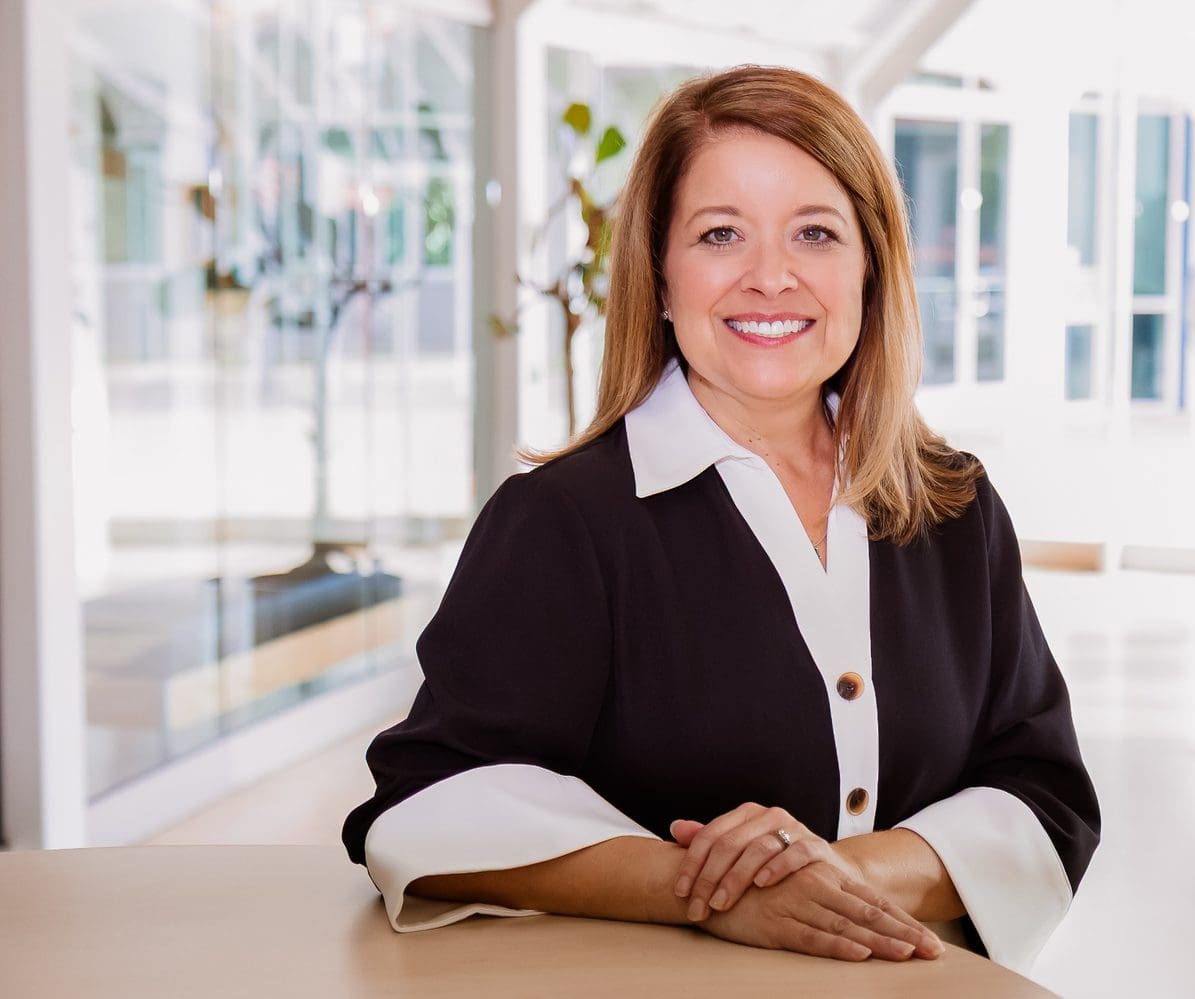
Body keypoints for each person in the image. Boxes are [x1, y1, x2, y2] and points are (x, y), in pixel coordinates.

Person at [342, 64, 1100, 974]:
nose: (770, 277)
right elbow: (429, 802)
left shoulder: (953, 505)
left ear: (870, 267)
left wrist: (823, 875)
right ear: (660, 277)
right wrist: (703, 889)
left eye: (815, 233)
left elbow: (1042, 793)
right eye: (720, 233)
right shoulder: (564, 521)